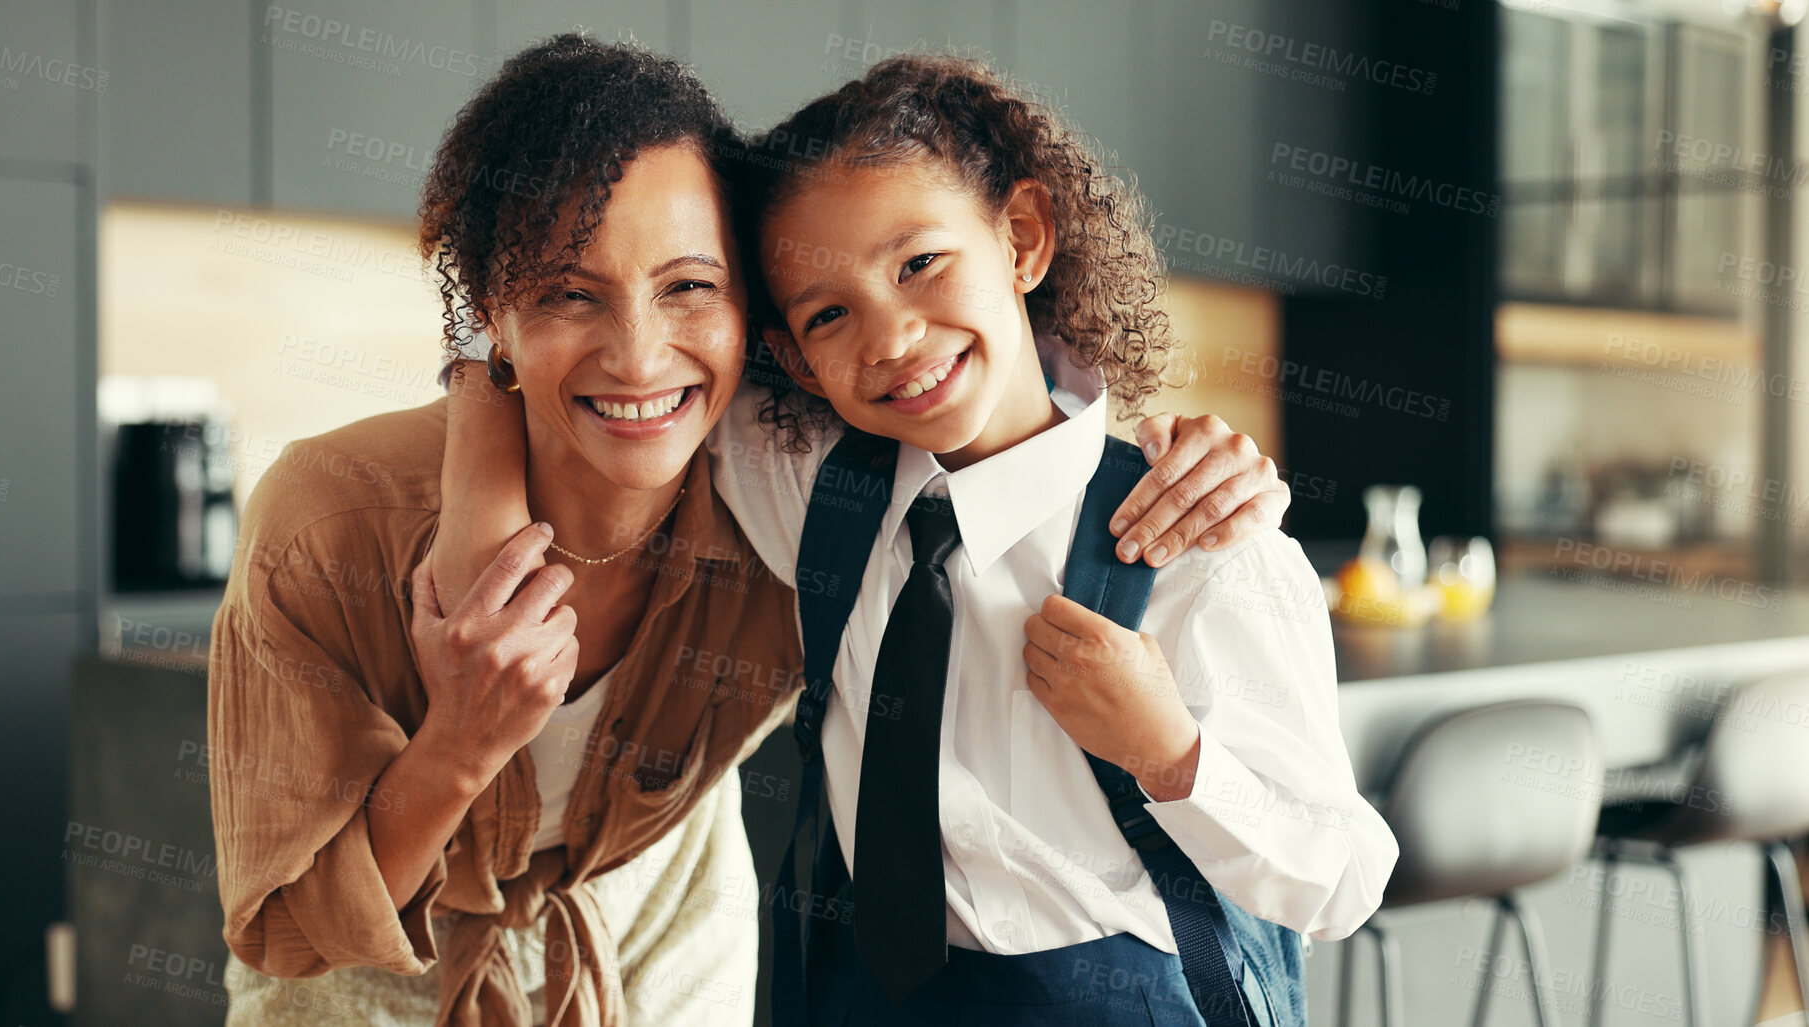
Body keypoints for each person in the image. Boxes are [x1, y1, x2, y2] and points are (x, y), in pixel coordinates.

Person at [212, 34, 1290, 1027]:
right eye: (568, 296)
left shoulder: (778, 483)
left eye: (689, 287)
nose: (641, 359)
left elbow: (973, 413)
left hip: (665, 903)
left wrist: (1169, 461)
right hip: (379, 963)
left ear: (754, 323)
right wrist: (459, 743)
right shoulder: (328, 523)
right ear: (495, 313)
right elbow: (287, 927)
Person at [714, 54, 1402, 1025]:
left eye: (920, 263)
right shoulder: (803, 485)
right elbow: (609, 345)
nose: (894, 338)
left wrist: (1170, 753)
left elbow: (1344, 878)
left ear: (1024, 239)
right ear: (793, 355)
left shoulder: (1202, 546)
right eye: (831, 313)